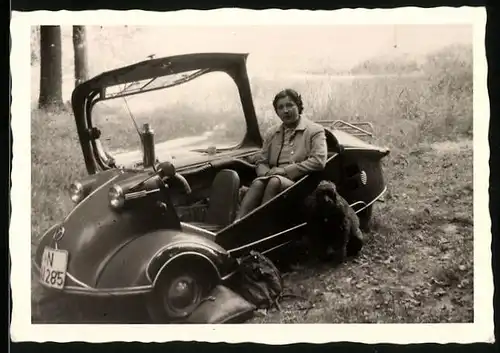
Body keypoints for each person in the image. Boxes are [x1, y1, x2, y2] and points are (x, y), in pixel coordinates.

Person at [234, 88, 328, 220]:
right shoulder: (272, 133)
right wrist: (266, 174)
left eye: (290, 105)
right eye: (280, 107)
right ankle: (237, 223)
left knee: (274, 181)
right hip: (273, 178)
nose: (285, 110)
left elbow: (319, 161)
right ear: (277, 112)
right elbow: (262, 160)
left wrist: (283, 171)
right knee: (258, 183)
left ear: (298, 106)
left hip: (302, 183)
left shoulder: (314, 130)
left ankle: (261, 224)